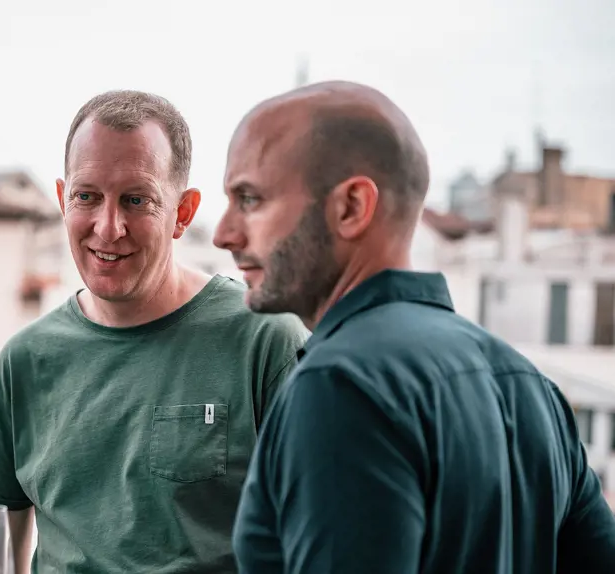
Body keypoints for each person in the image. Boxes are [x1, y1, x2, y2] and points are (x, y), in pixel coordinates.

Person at [214, 80, 615, 573]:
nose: (223, 233)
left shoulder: (342, 386)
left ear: (352, 207)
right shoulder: (529, 386)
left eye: (249, 199)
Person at [0, 89, 309, 573]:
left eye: (136, 200)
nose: (108, 227)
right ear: (63, 199)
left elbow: (317, 535)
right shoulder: (24, 360)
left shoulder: (265, 339)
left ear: (182, 214)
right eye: (87, 197)